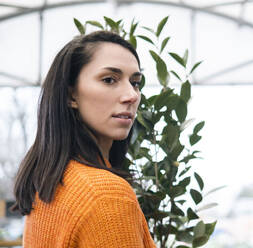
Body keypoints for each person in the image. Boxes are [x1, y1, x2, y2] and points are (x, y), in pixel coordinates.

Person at [11, 30, 157, 248]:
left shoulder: (49, 185)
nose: (132, 95)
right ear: (71, 95)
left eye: (135, 82)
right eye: (109, 80)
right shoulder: (106, 195)